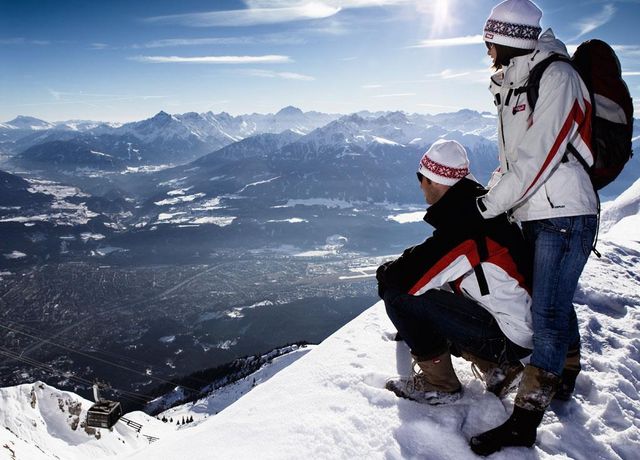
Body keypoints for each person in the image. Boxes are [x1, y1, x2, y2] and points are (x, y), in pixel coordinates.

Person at [468, 0, 598, 455]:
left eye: (490, 40)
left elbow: (539, 158)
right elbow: (511, 163)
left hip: (563, 213)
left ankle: (525, 420)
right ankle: (564, 371)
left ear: (508, 38)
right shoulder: (515, 83)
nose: (486, 49)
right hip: (535, 211)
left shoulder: (557, 77)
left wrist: (487, 207)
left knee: (545, 314)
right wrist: (485, 197)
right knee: (552, 299)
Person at [376, 139, 533, 405]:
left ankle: (441, 384)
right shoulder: (476, 209)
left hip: (507, 338)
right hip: (516, 328)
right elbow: (434, 258)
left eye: (420, 179)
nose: (420, 188)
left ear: (432, 180)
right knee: (434, 289)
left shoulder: (466, 224)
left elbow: (408, 277)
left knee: (395, 293)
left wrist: (386, 273)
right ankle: (498, 370)